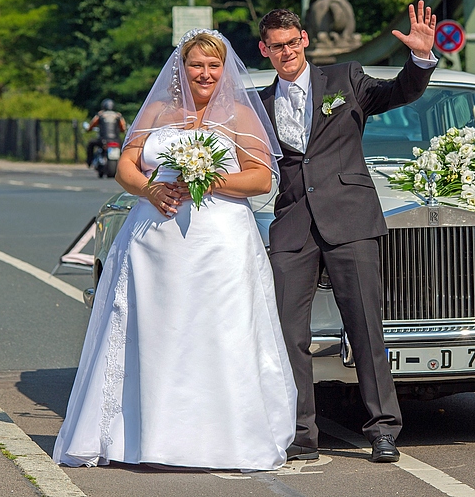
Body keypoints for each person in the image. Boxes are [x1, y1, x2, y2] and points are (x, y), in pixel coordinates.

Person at [54, 29, 297, 471]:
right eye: (196, 65)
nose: (204, 74)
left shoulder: (241, 115)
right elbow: (125, 167)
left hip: (218, 244)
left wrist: (209, 180)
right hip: (154, 243)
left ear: (224, 70)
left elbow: (262, 178)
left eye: (213, 65)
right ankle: (140, 437)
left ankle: (223, 439)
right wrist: (150, 190)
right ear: (181, 68)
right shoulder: (158, 111)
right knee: (154, 333)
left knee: (218, 333)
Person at [257, 1, 437, 463]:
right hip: (293, 225)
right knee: (286, 332)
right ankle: (300, 434)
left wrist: (419, 59)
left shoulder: (345, 80)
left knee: (365, 327)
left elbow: (400, 92)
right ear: (265, 51)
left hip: (350, 218)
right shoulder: (257, 106)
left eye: (291, 43)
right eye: (275, 47)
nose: (285, 52)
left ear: (304, 41)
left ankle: (383, 429)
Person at [85, 99, 127, 167]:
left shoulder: (100, 115)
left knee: (91, 144)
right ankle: (125, 164)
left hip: (103, 139)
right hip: (116, 140)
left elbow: (92, 124)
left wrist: (89, 129)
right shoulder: (118, 115)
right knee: (125, 149)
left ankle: (89, 162)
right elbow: (123, 127)